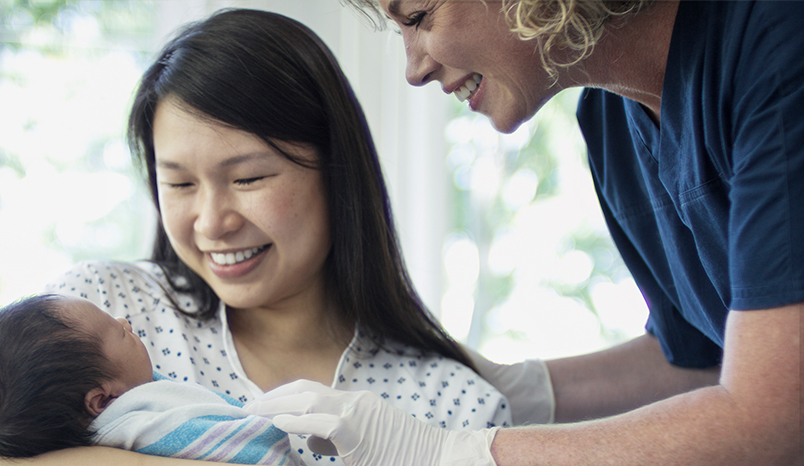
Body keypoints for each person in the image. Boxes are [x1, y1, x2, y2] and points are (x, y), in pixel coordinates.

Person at [245, 1, 803, 464]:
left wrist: (448, 454)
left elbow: (775, 416)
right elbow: (701, 360)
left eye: (417, 17)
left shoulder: (776, 44)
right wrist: (512, 387)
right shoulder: (611, 124)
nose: (413, 69)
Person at [9, 7, 513, 466]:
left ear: (335, 171)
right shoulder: (95, 310)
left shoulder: (453, 408)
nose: (211, 222)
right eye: (179, 184)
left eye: (247, 179)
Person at [0, 293, 297, 465]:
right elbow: (261, 450)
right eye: (118, 334)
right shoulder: (143, 424)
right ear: (102, 400)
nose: (124, 322)